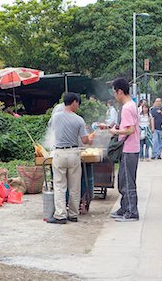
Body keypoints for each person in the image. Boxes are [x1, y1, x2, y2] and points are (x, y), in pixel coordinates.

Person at [47, 92, 92, 224]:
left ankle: (60, 215)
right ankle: (73, 214)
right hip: (73, 153)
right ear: (73, 102)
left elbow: (53, 131)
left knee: (60, 185)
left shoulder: (55, 117)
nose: (78, 105)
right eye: (77, 103)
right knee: (74, 186)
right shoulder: (79, 120)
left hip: (59, 153)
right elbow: (84, 140)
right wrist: (91, 138)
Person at [109, 78, 140, 222]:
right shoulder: (131, 105)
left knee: (128, 181)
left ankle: (132, 212)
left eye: (115, 93)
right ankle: (124, 208)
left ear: (120, 92)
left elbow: (130, 130)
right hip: (130, 148)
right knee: (123, 180)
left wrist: (115, 132)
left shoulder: (127, 107)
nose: (115, 96)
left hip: (129, 149)